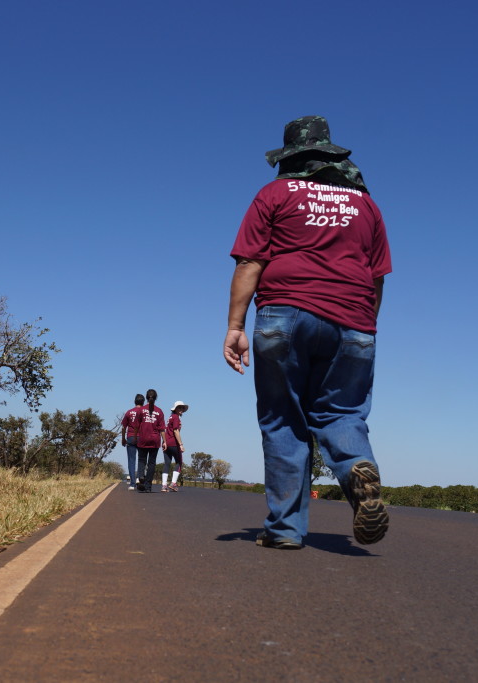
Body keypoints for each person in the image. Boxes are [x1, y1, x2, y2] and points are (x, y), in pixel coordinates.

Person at [223, 115, 392, 550]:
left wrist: (235, 327)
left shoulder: (274, 194)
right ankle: (356, 465)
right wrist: (363, 326)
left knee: (284, 419)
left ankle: (283, 531)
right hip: (354, 320)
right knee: (342, 413)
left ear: (291, 156)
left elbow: (249, 263)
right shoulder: (366, 205)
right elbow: (376, 278)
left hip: (284, 315)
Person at [134, 388, 165, 492]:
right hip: (155, 440)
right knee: (152, 463)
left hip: (143, 438)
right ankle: (148, 486)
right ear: (156, 398)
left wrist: (135, 437)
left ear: (146, 398)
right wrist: (165, 441)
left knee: (142, 460)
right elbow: (162, 429)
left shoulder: (141, 410)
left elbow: (136, 426)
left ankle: (141, 476)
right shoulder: (159, 411)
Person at [161, 401, 188, 492]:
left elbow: (165, 430)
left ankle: (164, 485)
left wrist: (164, 442)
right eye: (179, 408)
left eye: (182, 408)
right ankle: (173, 483)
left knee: (167, 463)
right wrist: (181, 444)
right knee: (179, 462)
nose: (181, 410)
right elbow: (176, 431)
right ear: (175, 409)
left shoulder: (170, 417)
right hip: (173, 443)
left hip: (166, 443)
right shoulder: (176, 418)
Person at [120, 394, 145, 488]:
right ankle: (139, 477)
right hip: (142, 437)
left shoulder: (129, 412)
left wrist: (123, 439)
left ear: (134, 402)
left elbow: (123, 427)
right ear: (143, 402)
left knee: (131, 460)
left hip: (130, 437)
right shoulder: (145, 412)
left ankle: (132, 483)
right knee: (141, 459)